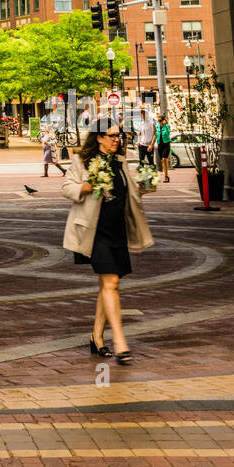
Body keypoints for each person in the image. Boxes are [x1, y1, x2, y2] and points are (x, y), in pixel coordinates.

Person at [62, 116, 155, 364]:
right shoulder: (82, 160)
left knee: (109, 285)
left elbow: (128, 191)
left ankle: (96, 336)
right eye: (113, 136)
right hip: (94, 232)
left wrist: (145, 185)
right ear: (99, 137)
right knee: (111, 282)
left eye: (120, 135)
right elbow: (67, 188)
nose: (118, 140)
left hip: (118, 231)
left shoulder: (120, 162)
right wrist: (88, 185)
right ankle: (121, 342)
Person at [155, 112, 172, 182]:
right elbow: (155, 135)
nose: (159, 122)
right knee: (162, 160)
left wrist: (165, 124)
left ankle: (166, 176)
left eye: (160, 120)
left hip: (166, 144)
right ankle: (165, 174)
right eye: (158, 121)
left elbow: (168, 133)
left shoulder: (167, 126)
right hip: (160, 145)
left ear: (163, 120)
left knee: (164, 159)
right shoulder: (157, 127)